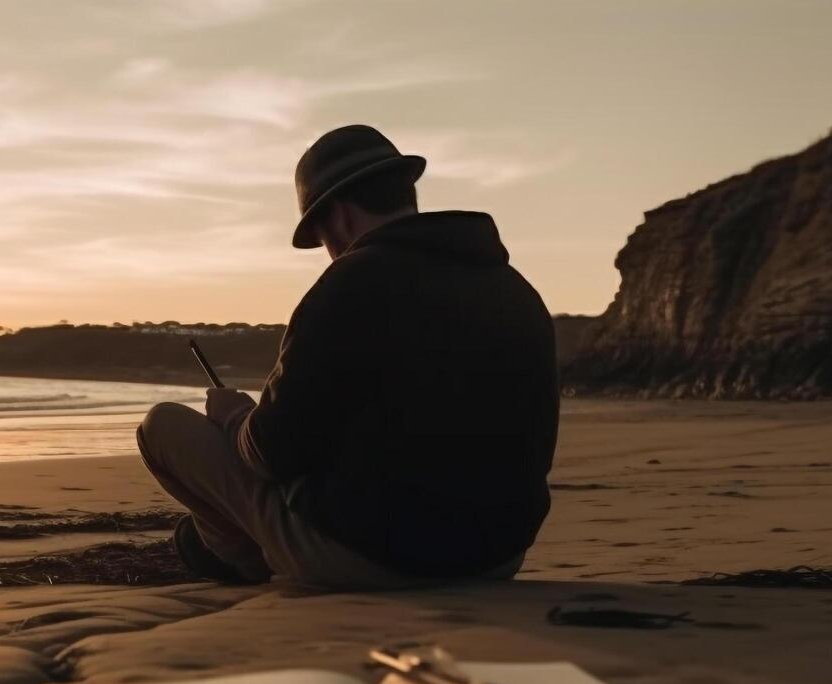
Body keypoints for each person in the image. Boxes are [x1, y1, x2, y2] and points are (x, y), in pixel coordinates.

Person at [137, 124, 559, 589]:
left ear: (336, 216)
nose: (327, 252)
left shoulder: (349, 286)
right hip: (497, 557)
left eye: (320, 237)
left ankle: (247, 559)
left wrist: (234, 414)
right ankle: (244, 549)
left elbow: (272, 456)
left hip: (374, 558)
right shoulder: (515, 289)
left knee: (163, 426)